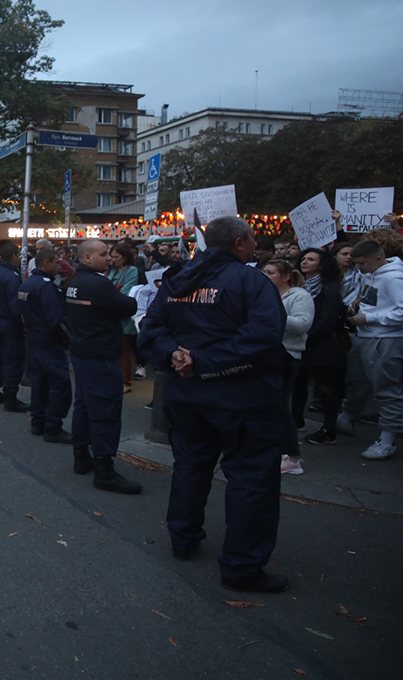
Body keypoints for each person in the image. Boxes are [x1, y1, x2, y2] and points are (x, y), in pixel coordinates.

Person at [138, 216, 288, 593]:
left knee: (190, 466)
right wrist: (189, 358)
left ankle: (183, 538)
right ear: (239, 243)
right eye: (252, 239)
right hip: (243, 399)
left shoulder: (176, 280)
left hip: (190, 395)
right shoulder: (250, 281)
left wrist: (179, 356)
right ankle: (242, 566)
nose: (256, 245)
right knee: (251, 479)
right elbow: (265, 336)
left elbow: (152, 330)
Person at [64, 239, 140, 494]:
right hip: (101, 356)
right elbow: (129, 306)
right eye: (103, 254)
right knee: (105, 412)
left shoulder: (76, 282)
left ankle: (80, 457)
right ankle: (104, 470)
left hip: (83, 353)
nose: (108, 258)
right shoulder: (98, 284)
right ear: (87, 258)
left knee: (84, 407)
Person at [339, 241, 403, 460]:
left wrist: (369, 317)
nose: (358, 268)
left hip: (385, 340)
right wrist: (358, 304)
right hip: (364, 336)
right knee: (356, 381)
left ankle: (387, 440)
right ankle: (346, 417)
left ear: (377, 259)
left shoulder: (394, 278)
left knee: (386, 389)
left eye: (361, 263)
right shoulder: (370, 274)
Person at [262, 259, 314, 476]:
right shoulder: (263, 295)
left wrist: (272, 317)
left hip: (287, 355)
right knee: (266, 405)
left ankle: (292, 458)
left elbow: (303, 324)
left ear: (286, 276)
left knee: (280, 405)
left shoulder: (299, 296)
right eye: (264, 272)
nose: (266, 276)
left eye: (271, 273)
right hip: (264, 355)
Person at [18, 247, 72, 444]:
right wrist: (69, 338)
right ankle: (53, 426)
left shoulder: (27, 283)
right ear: (46, 263)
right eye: (57, 262)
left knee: (39, 384)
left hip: (33, 339)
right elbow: (56, 318)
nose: (60, 266)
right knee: (59, 384)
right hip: (48, 341)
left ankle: (38, 421)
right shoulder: (45, 286)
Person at [296, 249, 345, 445]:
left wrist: (307, 336)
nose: (305, 262)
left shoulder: (330, 288)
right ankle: (296, 420)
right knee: (298, 385)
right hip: (302, 343)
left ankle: (328, 429)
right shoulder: (298, 286)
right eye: (304, 259)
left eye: (311, 259)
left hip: (320, 343)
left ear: (322, 264)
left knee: (325, 387)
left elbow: (326, 321)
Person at [0, 243, 29, 412]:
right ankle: (11, 397)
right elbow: (16, 306)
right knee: (13, 360)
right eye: (18, 255)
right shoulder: (12, 277)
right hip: (10, 325)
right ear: (14, 256)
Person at [107, 243, 140, 393]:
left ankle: (126, 381)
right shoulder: (113, 271)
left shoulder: (132, 270)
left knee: (124, 349)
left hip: (124, 314)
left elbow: (126, 291)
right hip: (112, 314)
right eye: (112, 257)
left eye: (116, 257)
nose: (113, 260)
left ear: (124, 257)